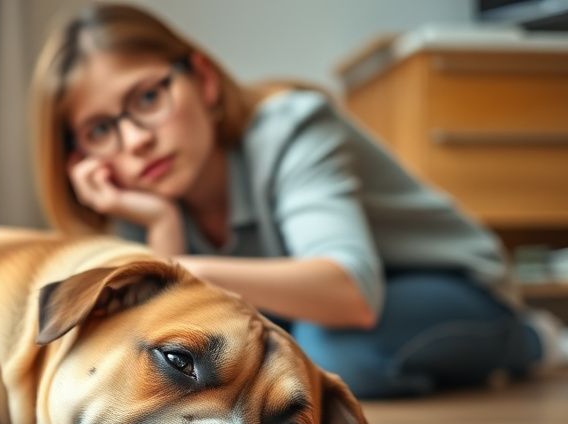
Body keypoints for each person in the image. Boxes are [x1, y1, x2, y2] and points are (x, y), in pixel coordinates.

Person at [29, 3, 565, 399]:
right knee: (292, 353)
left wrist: (170, 268)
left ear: (205, 81)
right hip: (322, 313)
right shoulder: (140, 197)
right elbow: (168, 326)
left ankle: (529, 340)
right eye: (100, 129)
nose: (134, 140)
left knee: (327, 354)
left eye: (148, 98)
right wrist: (161, 224)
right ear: (77, 156)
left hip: (445, 281)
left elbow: (350, 290)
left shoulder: (292, 126)